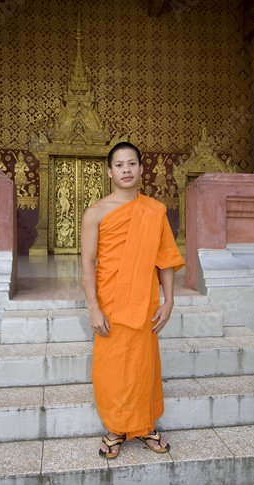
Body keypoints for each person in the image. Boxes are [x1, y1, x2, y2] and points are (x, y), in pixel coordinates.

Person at [81, 142, 185, 459]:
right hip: (110, 300)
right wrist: (93, 307)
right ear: (110, 171)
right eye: (119, 164)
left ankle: (145, 426)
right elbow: (87, 263)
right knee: (111, 366)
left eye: (132, 163)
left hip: (143, 300)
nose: (126, 169)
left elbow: (165, 258)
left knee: (143, 364)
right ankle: (115, 428)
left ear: (141, 169)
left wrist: (168, 301)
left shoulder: (154, 211)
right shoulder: (96, 212)